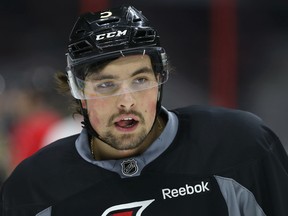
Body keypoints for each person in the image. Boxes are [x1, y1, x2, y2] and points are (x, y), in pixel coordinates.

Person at [1, 5, 288, 216]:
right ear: (79, 93)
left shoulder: (241, 145)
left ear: (160, 79)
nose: (127, 102)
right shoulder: (33, 186)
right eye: (105, 85)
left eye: (139, 80)